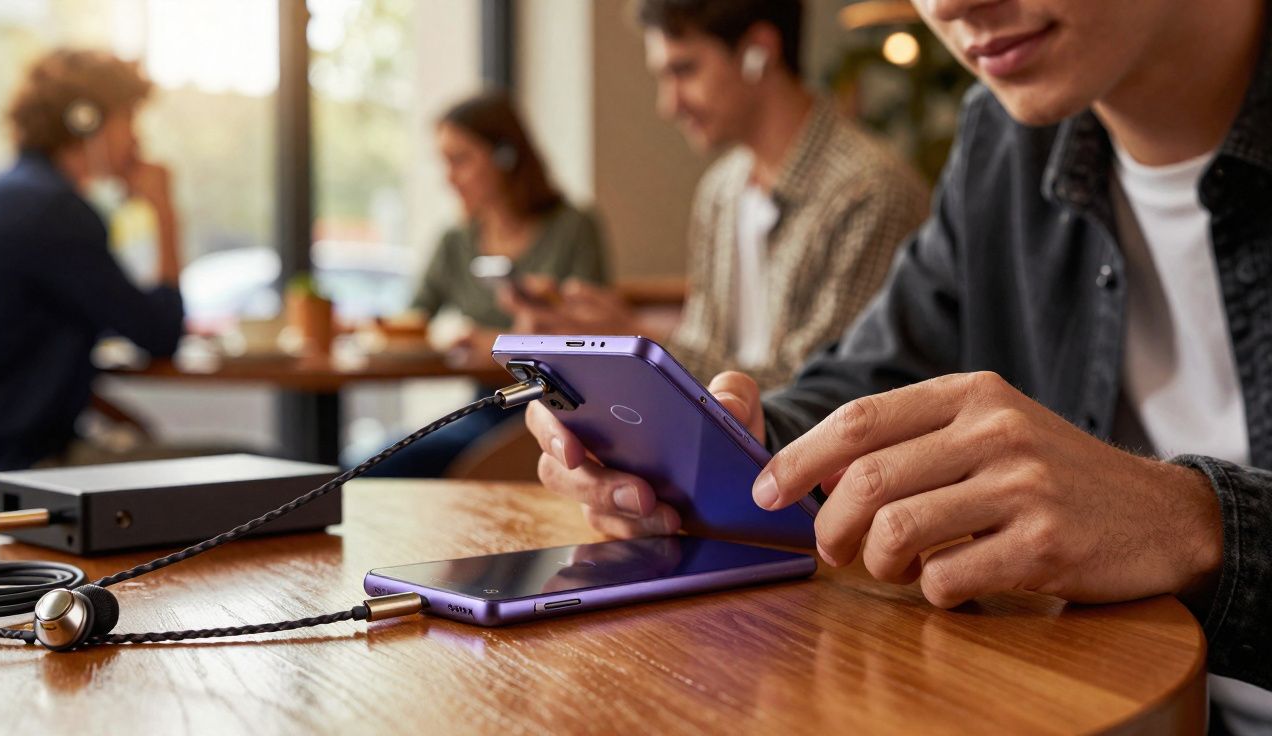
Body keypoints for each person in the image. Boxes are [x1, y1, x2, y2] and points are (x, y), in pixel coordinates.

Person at [526, 0, 1272, 730]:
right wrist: (716, 442)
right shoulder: (1002, 140)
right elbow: (869, 382)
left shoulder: (894, 174)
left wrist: (1192, 525)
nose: (949, 6)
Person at [506, 0, 930, 392]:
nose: (668, 106)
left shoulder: (870, 191)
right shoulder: (720, 191)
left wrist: (641, 343)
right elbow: (704, 350)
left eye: (684, 70)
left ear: (758, 52)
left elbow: (823, 394)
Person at [0, 49, 184, 477]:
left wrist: (118, 413)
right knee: (261, 467)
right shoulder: (52, 210)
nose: (137, 141)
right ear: (87, 120)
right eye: (128, 120)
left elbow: (9, 355)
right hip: (12, 465)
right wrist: (166, 214)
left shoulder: (14, 194)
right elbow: (160, 333)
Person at [367, 91, 609, 477]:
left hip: (556, 412)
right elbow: (414, 317)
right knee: (364, 463)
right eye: (444, 162)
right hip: (486, 407)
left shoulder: (573, 229)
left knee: (372, 468)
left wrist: (494, 343)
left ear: (505, 157)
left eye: (460, 160)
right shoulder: (456, 241)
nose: (449, 177)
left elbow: (593, 339)